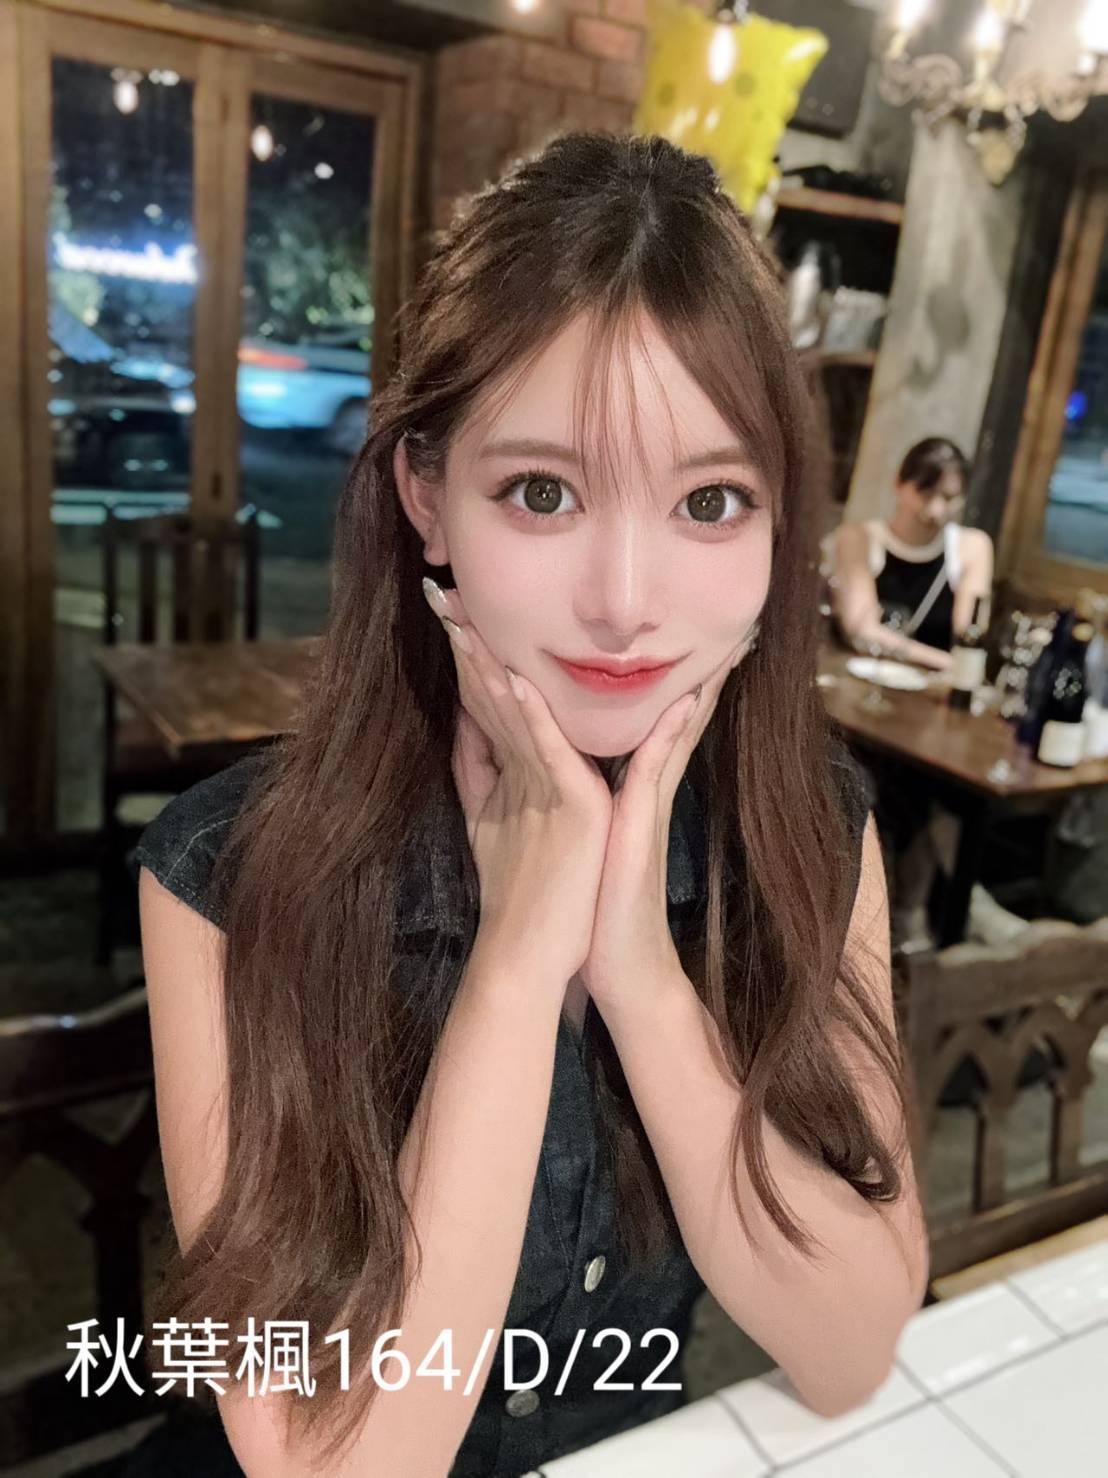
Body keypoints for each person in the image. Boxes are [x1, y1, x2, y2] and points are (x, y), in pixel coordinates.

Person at [128, 132, 928, 1478]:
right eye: (541, 491)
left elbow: (849, 1347)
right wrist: (516, 955)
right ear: (427, 498)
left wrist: (639, 970)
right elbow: (330, 1461)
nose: (625, 601)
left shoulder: (803, 826)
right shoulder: (224, 872)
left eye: (711, 499)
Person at [826, 438, 1025, 952]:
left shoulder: (970, 547)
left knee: (948, 778)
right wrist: (942, 661)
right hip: (863, 704)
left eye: (951, 498)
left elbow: (970, 632)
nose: (936, 510)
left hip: (929, 711)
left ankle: (936, 912)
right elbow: (861, 627)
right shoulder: (859, 538)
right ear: (900, 485)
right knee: (891, 779)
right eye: (926, 492)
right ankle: (930, 912)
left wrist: (950, 656)